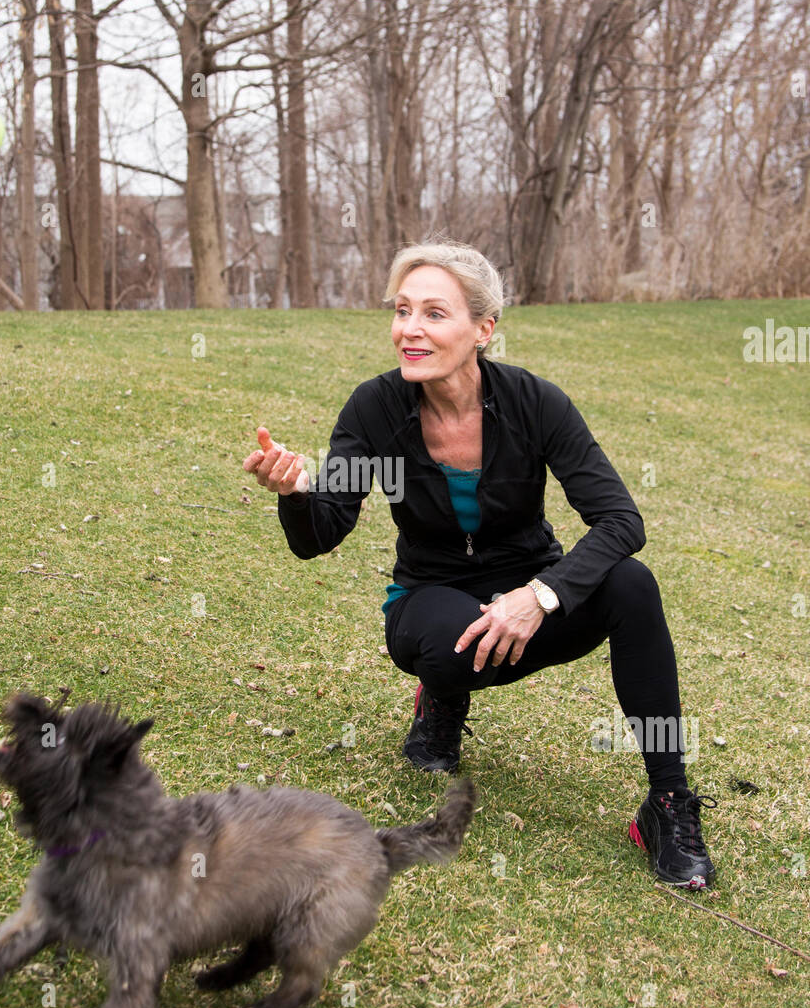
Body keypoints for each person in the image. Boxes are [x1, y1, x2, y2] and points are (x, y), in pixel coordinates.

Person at [242, 240, 716, 890]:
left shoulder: (534, 403)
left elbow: (621, 522)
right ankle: (440, 704)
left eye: (434, 314)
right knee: (449, 643)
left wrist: (543, 595)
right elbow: (319, 534)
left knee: (632, 584)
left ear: (483, 328)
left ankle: (667, 804)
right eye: (403, 310)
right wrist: (295, 491)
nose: (409, 328)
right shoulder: (376, 410)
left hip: (531, 590)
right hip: (430, 597)